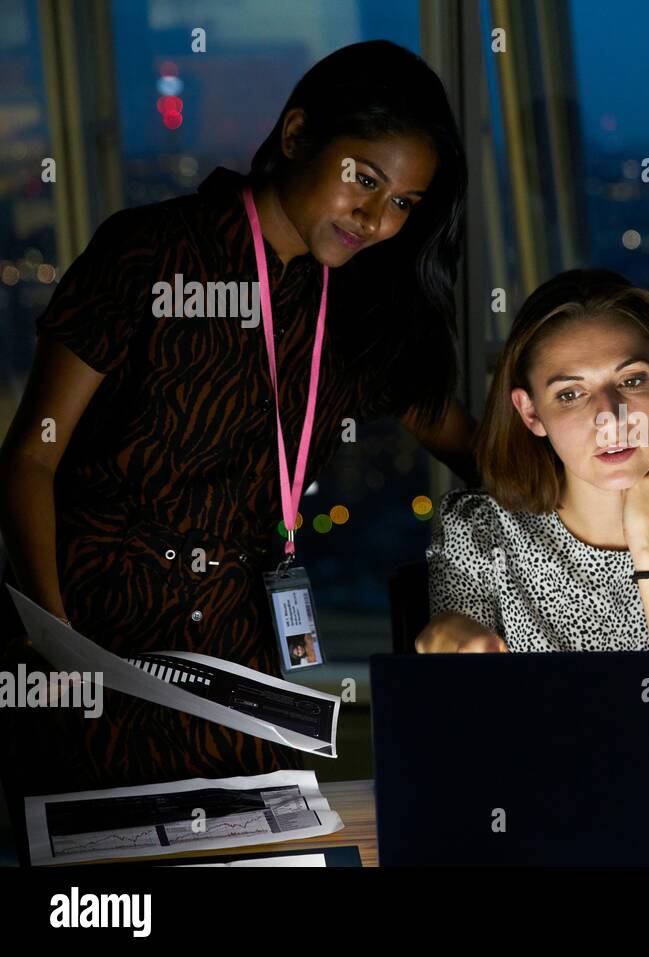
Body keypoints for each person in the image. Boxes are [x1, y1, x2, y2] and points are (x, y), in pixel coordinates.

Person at [0, 41, 477, 863]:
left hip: (245, 681)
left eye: (404, 201)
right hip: (99, 660)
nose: (379, 219)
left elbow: (480, 454)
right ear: (296, 134)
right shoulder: (149, 255)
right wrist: (57, 640)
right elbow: (30, 459)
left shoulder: (358, 309)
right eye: (363, 177)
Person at [415, 269, 649, 731]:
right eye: (570, 394)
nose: (609, 416)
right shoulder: (476, 529)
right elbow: (463, 730)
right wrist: (447, 647)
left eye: (630, 381)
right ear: (531, 413)